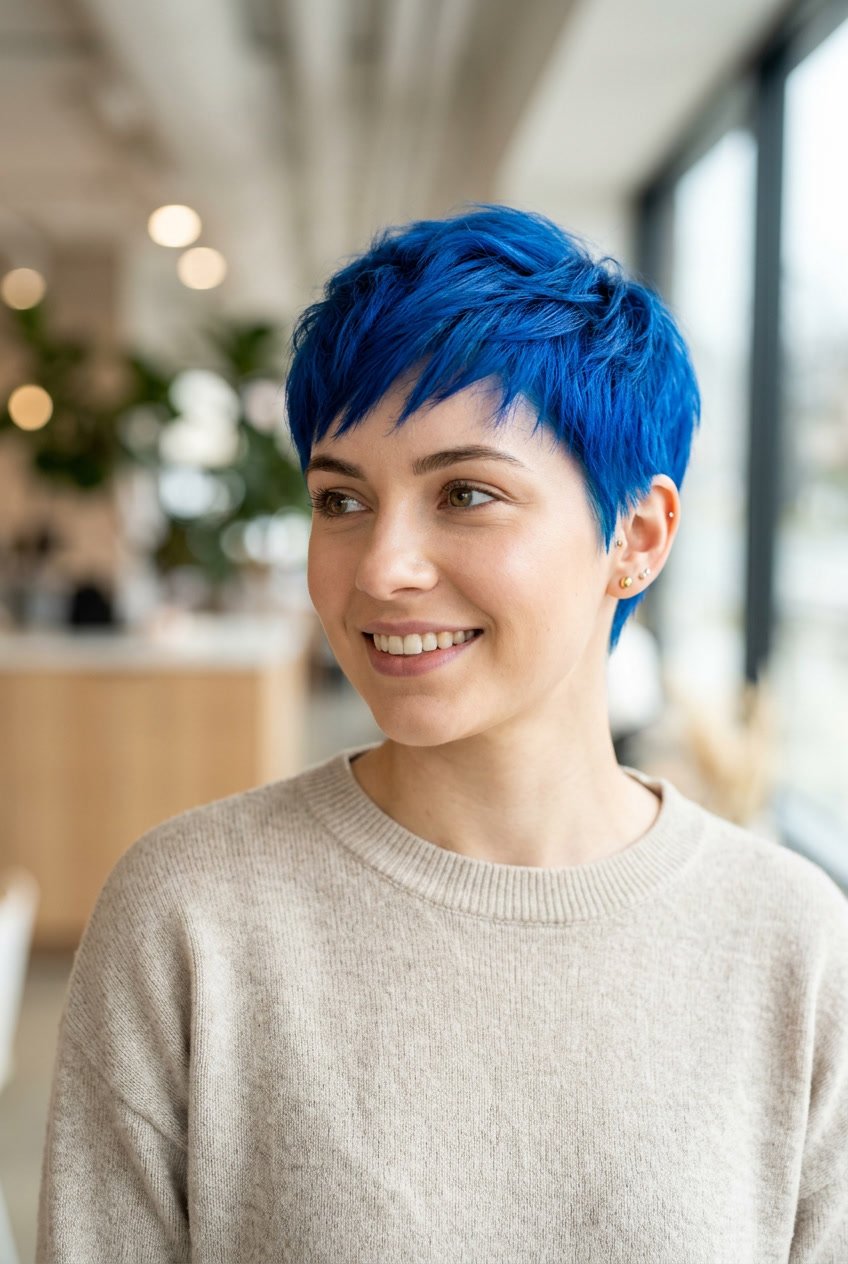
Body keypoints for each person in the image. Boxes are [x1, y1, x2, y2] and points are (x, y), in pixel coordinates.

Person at [37, 206, 847, 1261]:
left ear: (634, 539)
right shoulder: (191, 915)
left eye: (464, 493)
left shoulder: (789, 941)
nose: (379, 569)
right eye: (340, 499)